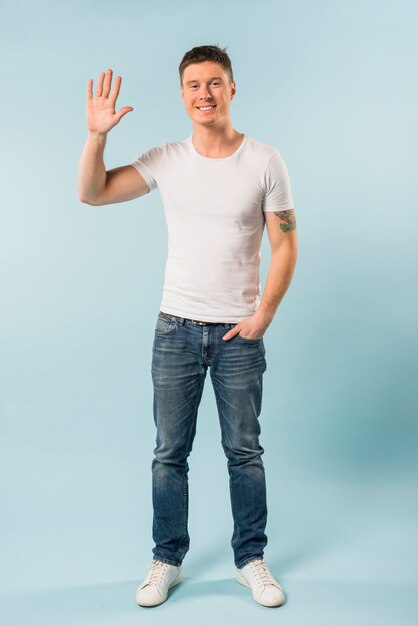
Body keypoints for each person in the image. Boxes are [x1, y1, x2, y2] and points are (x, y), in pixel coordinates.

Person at [78, 44, 297, 609]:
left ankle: (252, 559)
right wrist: (97, 136)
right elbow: (92, 192)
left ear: (231, 89)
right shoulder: (166, 159)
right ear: (182, 95)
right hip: (175, 328)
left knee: (243, 450)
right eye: (194, 84)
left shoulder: (266, 161)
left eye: (215, 83)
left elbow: (286, 242)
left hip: (237, 336)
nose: (205, 93)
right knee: (169, 452)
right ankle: (167, 560)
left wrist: (263, 314)